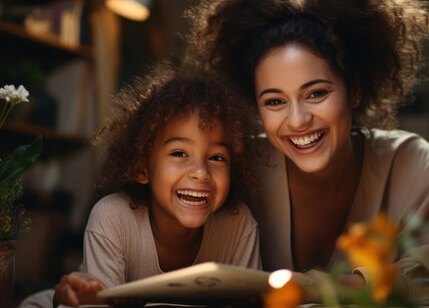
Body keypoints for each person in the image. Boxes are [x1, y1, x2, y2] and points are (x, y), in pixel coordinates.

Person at [186, 0, 429, 303]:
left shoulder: (416, 166)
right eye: (274, 102)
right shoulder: (237, 168)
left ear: (354, 90)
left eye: (316, 94)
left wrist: (314, 287)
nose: (297, 121)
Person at [22, 66, 260, 307]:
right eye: (179, 153)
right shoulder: (113, 216)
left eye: (217, 157)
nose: (201, 172)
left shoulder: (237, 224)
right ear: (141, 168)